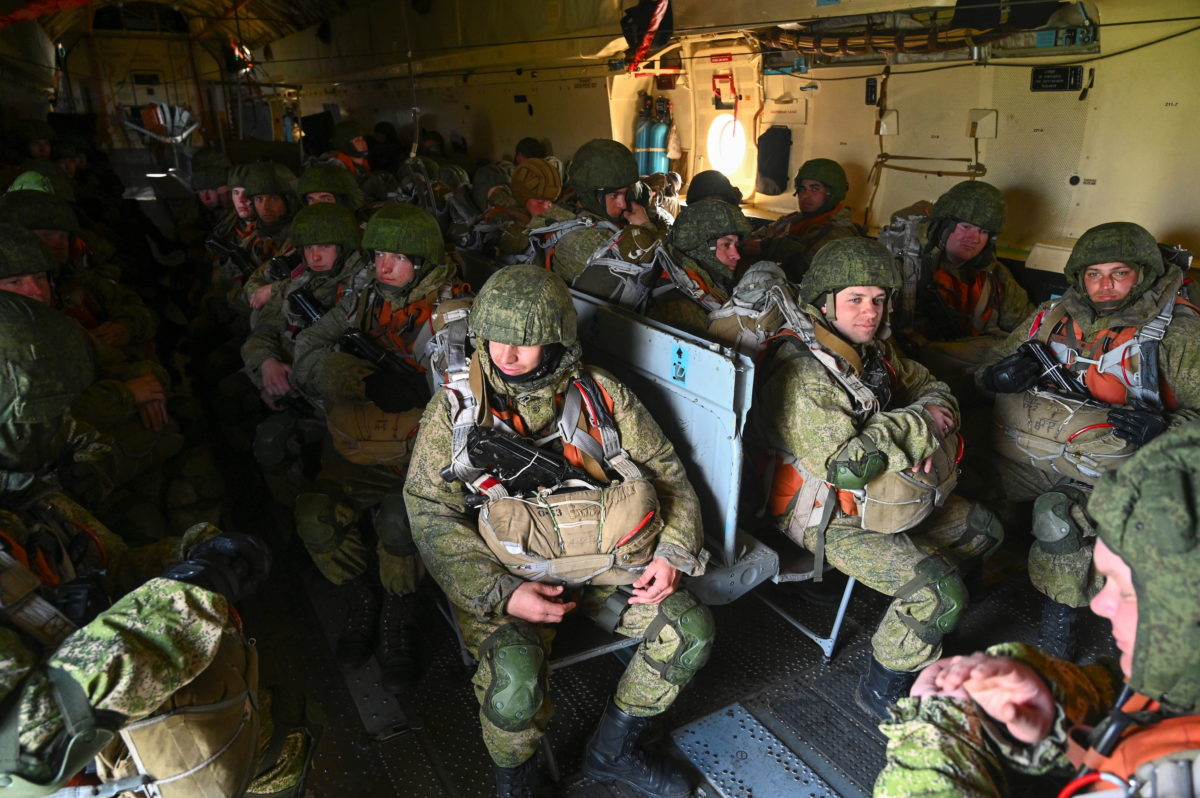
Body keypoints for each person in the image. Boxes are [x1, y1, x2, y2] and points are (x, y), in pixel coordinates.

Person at [405, 265, 713, 798]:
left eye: (525, 341)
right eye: (496, 338)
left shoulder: (601, 395)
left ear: (556, 340)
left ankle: (614, 751)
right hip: (510, 576)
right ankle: (517, 783)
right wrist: (502, 592)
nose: (507, 354)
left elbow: (668, 474)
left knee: (688, 631)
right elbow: (429, 511)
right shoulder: (455, 411)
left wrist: (672, 553)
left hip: (604, 567)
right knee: (514, 679)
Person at [0, 289, 300, 798]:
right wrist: (182, 598)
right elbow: (25, 745)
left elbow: (110, 561)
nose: (60, 429)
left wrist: (194, 555)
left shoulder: (26, 500)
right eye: (42, 418)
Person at [874, 422, 1200, 798]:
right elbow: (1142, 711)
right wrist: (1055, 704)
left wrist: (938, 737)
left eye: (1128, 593)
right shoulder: (1177, 679)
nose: (1099, 604)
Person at [753, 237, 1003, 719]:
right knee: (936, 592)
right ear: (824, 304)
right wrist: (921, 427)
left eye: (878, 299)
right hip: (825, 516)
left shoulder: (873, 351)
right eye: (855, 299)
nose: (870, 312)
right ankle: (884, 685)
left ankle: (928, 629)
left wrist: (924, 430)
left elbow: (932, 386)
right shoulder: (805, 369)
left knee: (983, 530)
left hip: (888, 494)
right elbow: (845, 467)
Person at [977, 221, 1200, 657]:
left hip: (1115, 468)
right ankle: (970, 581)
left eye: (1119, 273)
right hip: (1038, 445)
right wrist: (995, 378)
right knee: (964, 477)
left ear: (1143, 274)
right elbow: (987, 367)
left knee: (1059, 517)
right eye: (1094, 274)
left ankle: (1059, 630)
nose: (1104, 285)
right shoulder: (1052, 314)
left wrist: (1164, 429)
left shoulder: (1179, 333)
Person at [290, 203, 470, 691]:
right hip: (360, 447)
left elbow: (469, 401)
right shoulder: (364, 299)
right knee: (314, 515)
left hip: (424, 455)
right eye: (378, 255)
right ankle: (361, 597)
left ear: (423, 261)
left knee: (397, 521)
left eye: (397, 257)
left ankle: (398, 614)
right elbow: (305, 353)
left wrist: (423, 393)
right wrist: (356, 377)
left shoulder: (453, 315)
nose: (383, 266)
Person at [241, 202, 370, 507]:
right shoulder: (298, 283)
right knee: (269, 443)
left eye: (324, 246)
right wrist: (267, 366)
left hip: (346, 404)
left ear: (343, 246)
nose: (315, 256)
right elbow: (261, 333)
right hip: (301, 396)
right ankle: (290, 508)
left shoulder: (363, 287)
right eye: (309, 247)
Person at [889, 180, 1034, 390]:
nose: (974, 238)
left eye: (983, 231)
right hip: (911, 370)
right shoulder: (903, 266)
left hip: (970, 372)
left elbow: (1027, 324)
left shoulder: (994, 275)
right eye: (966, 227)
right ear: (944, 225)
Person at [540, 139, 667, 310]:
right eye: (614, 196)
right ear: (590, 195)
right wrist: (646, 227)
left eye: (625, 194)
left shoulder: (576, 213)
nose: (623, 204)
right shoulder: (583, 241)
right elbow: (654, 271)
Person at [740, 158, 861, 282]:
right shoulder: (792, 220)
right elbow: (753, 238)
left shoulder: (840, 234)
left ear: (832, 193)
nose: (805, 196)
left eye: (815, 189)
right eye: (802, 189)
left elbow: (804, 270)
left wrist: (766, 247)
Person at [647, 198, 750, 334]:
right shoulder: (680, 310)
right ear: (699, 248)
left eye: (736, 246)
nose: (736, 255)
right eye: (726, 245)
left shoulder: (705, 282)